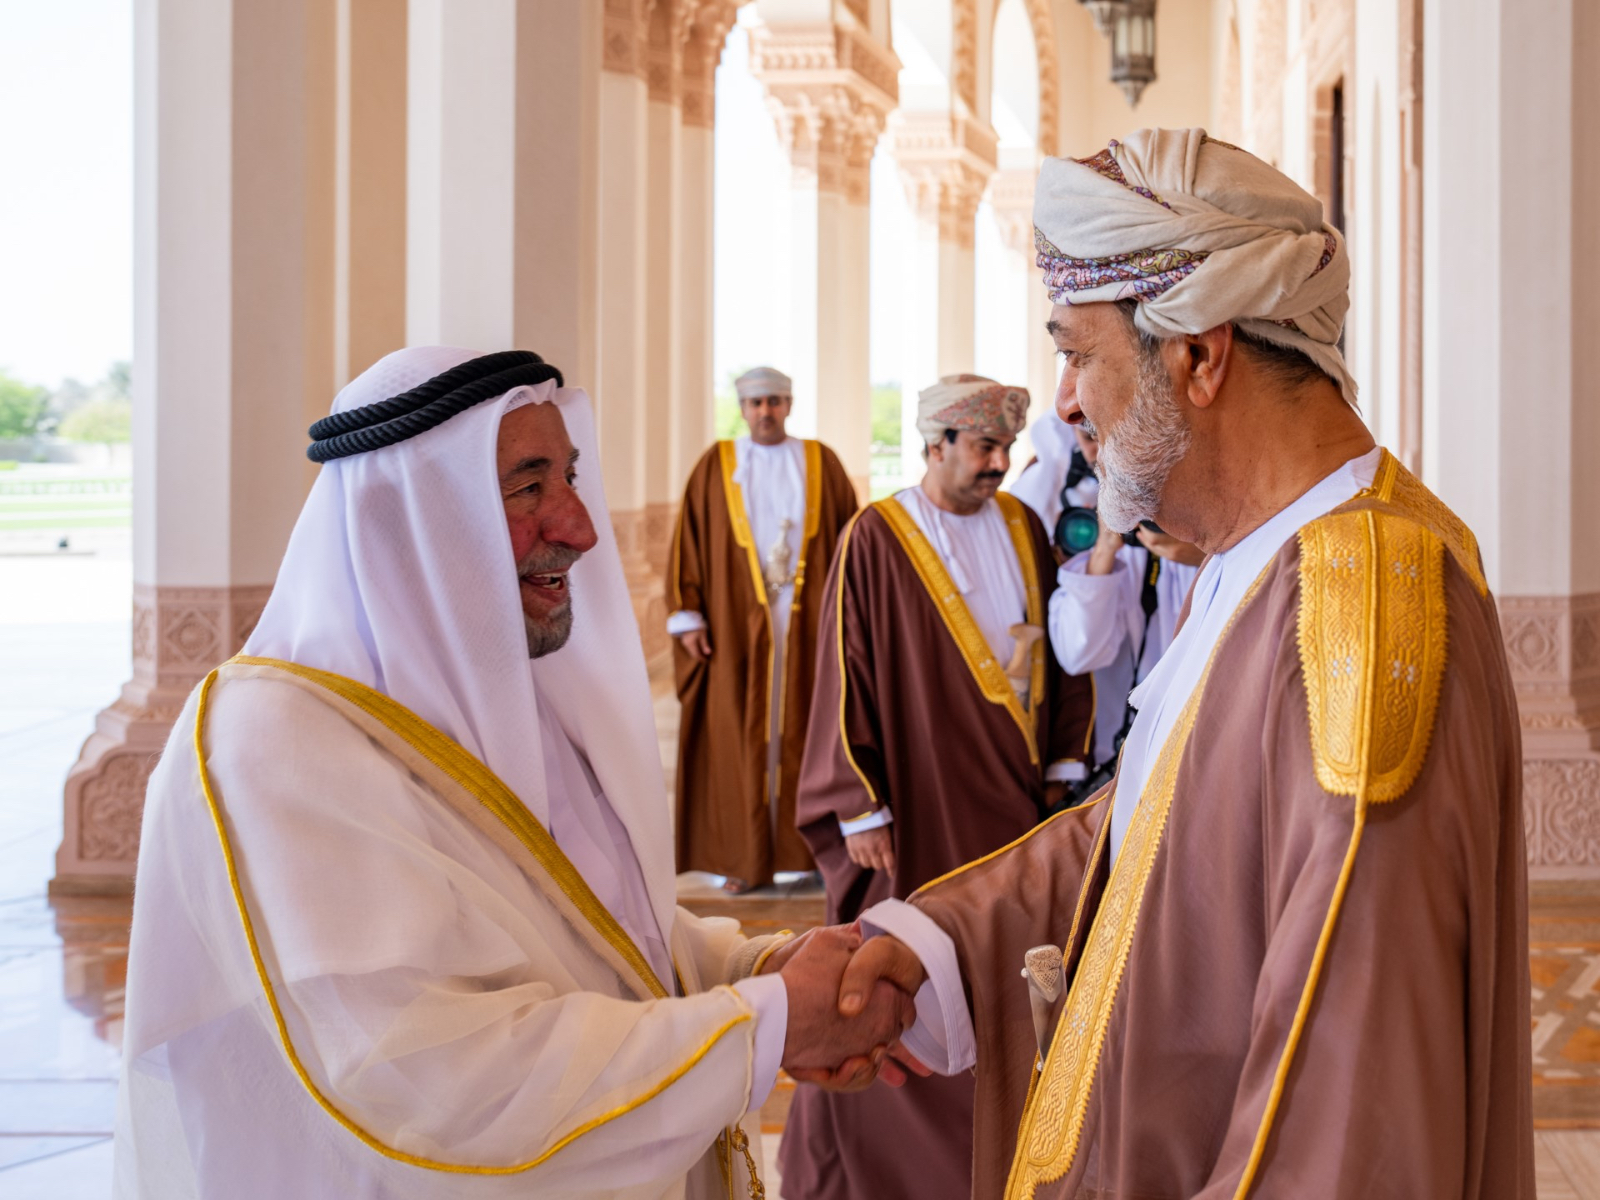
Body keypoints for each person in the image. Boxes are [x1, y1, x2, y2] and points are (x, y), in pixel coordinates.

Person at [836, 130, 1533, 1198]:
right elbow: (1155, 842)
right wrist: (928, 946)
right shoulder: (1251, 561)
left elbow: (1343, 1127)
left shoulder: (1360, 606)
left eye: (1077, 351)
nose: (1063, 402)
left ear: (1197, 355)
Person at [113, 347, 918, 1200]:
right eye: (526, 488)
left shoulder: (514, 701)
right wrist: (770, 1023)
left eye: (568, 477)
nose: (580, 526)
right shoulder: (269, 747)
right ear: (409, 520)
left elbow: (595, 935)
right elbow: (437, 1083)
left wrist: (761, 966)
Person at [778, 374, 1095, 1200]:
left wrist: (1066, 758)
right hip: (914, 807)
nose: (999, 463)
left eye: (1004, 448)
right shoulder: (877, 536)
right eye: (982, 447)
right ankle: (892, 1175)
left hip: (1016, 809)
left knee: (997, 980)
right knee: (900, 981)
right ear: (936, 445)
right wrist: (858, 804)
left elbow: (1063, 653)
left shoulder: (1024, 525)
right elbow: (842, 671)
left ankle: (997, 1161)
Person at [667, 366, 858, 894]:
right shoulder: (717, 465)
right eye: (755, 403)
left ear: (789, 405)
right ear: (742, 407)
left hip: (808, 624)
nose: (765, 412)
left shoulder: (821, 462)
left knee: (809, 732)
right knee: (739, 736)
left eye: (774, 401)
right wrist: (689, 615)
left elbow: (850, 544)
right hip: (736, 626)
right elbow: (689, 541)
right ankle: (741, 857)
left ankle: (814, 853)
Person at [1048, 422, 1202, 786]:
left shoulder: (1208, 510)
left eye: (1110, 437)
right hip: (1116, 753)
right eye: (1089, 438)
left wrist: (1206, 555)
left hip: (1198, 746)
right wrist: (1104, 550)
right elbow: (1077, 654)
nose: (1100, 451)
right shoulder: (1068, 505)